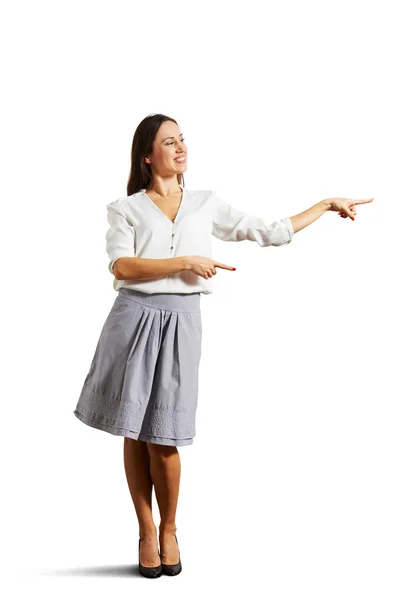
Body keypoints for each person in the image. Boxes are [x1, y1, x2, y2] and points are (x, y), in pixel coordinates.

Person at [73, 113, 373, 578]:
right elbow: (122, 268)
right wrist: (185, 260)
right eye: (169, 142)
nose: (180, 148)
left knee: (164, 438)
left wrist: (324, 204)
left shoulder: (204, 203)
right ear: (147, 155)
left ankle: (170, 527)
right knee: (134, 430)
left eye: (182, 139)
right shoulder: (125, 207)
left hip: (182, 322)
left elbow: (270, 231)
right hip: (132, 319)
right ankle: (146, 531)